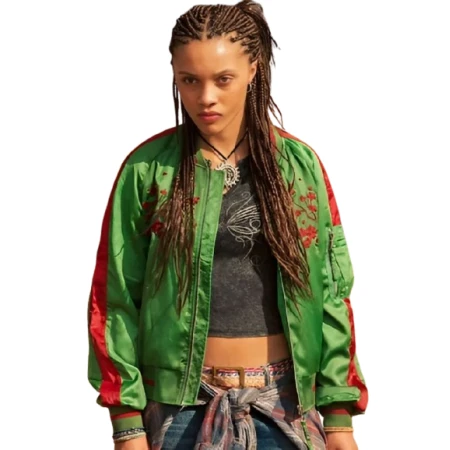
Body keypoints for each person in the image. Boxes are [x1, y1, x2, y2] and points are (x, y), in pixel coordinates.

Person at [87, 1, 368, 449]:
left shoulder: (298, 167)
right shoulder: (148, 171)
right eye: (189, 80)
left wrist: (338, 418)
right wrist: (127, 425)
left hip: (285, 406)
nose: (205, 97)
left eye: (223, 79)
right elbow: (115, 299)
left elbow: (331, 291)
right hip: (181, 410)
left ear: (253, 69)